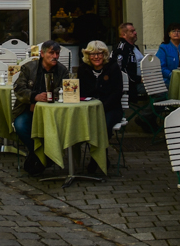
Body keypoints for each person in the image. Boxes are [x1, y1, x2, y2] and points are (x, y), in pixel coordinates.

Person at [12, 40, 69, 176]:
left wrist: (44, 100)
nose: (55, 56)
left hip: (52, 111)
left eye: (57, 53)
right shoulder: (28, 68)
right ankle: (43, 154)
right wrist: (34, 97)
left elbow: (64, 90)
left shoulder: (62, 71)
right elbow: (19, 88)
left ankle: (38, 156)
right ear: (42, 54)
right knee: (20, 125)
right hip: (28, 109)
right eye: (51, 53)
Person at [79, 41, 123, 134]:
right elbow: (81, 92)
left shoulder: (113, 67)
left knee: (103, 126)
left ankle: (101, 148)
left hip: (110, 108)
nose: (96, 57)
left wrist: (101, 107)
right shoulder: (83, 69)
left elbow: (117, 92)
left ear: (104, 54)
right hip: (89, 108)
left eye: (99, 53)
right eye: (92, 54)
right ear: (87, 55)